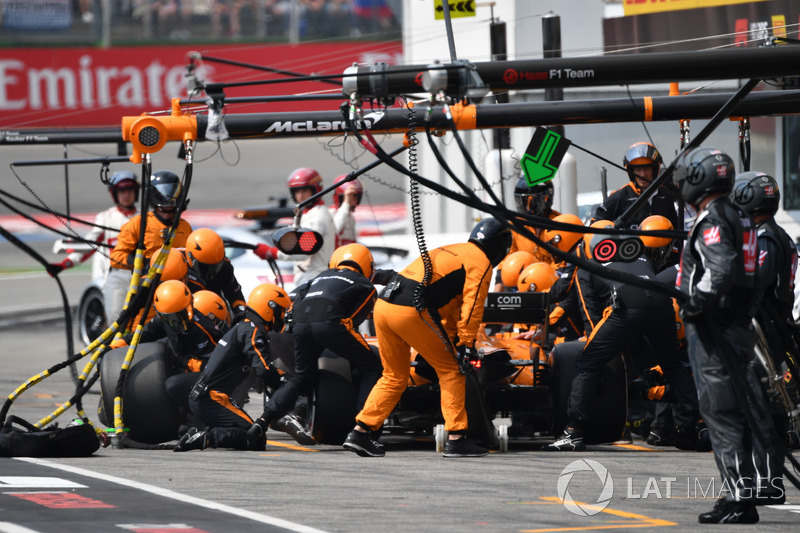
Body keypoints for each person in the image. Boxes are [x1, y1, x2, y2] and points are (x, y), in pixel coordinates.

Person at [673, 147, 782, 523]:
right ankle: (740, 493)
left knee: (721, 412)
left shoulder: (715, 218)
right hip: (734, 327)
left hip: (715, 332)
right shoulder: (741, 216)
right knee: (737, 411)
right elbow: (748, 281)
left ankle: (739, 500)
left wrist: (694, 305)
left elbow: (719, 271)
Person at [343, 217, 512, 458]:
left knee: (394, 376)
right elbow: (472, 306)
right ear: (501, 247)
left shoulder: (453, 251)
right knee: (451, 370)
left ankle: (360, 432)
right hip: (412, 309)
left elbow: (453, 307)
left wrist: (455, 338)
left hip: (384, 305)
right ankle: (457, 439)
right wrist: (465, 344)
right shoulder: (481, 262)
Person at [544, 215, 699, 452]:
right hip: (661, 301)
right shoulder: (640, 255)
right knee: (673, 366)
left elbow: (591, 314)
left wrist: (597, 346)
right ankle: (698, 420)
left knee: (586, 362)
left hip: (626, 306)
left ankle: (573, 432)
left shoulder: (586, 266)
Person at [247, 243, 383, 446]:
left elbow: (294, 299)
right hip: (331, 324)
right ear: (368, 267)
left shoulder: (318, 278)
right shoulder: (365, 285)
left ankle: (262, 421)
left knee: (302, 376)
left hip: (298, 325)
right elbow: (352, 321)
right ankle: (363, 430)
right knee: (373, 366)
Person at [729, 171, 795, 504]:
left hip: (763, 335)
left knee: (761, 409)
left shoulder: (767, 237)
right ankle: (763, 481)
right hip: (767, 331)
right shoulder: (767, 234)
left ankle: (768, 483)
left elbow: (754, 286)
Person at [174, 283, 291, 452]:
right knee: (255, 439)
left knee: (251, 434)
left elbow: (257, 370)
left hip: (207, 396)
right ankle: (205, 437)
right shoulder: (252, 330)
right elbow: (264, 370)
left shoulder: (244, 326)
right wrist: (286, 383)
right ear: (268, 308)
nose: (281, 317)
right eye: (279, 311)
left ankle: (200, 432)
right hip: (211, 397)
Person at [52, 170, 140, 323]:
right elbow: (90, 246)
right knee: (116, 320)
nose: (126, 195)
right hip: (115, 276)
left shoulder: (145, 217)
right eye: (122, 191)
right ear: (115, 193)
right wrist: (64, 264)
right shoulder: (105, 218)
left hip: (140, 275)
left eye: (130, 190)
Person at [253, 168, 336, 287]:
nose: (300, 196)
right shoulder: (314, 213)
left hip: (313, 279)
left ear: (315, 190)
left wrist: (272, 252)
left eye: (305, 191)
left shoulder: (317, 217)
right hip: (314, 277)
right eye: (297, 192)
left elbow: (303, 251)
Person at [110, 170, 193, 281]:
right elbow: (116, 257)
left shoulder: (185, 227)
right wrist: (143, 262)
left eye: (173, 191)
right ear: (154, 194)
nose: (170, 197)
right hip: (148, 282)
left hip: (178, 283)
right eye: (165, 192)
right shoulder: (139, 223)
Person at [593, 142, 679, 232]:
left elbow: (676, 228)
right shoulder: (619, 196)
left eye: (646, 169)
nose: (643, 174)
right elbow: (597, 223)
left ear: (654, 170)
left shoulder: (665, 195)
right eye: (638, 170)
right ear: (631, 172)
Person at [184, 228, 247, 322]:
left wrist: (242, 317)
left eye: (216, 266)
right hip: (187, 315)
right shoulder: (179, 265)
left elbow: (235, 297)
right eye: (205, 267)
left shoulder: (225, 267)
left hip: (216, 312)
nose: (211, 272)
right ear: (190, 257)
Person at [330, 175, 363, 247]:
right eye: (350, 198)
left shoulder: (351, 218)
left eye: (355, 198)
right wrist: (346, 204)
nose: (354, 203)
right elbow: (334, 231)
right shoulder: (330, 214)